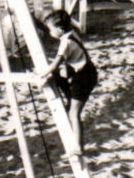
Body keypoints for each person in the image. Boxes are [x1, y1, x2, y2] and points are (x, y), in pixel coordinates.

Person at [37, 9, 98, 154]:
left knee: (73, 114)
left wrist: (40, 75)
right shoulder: (71, 33)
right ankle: (70, 101)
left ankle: (78, 147)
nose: (50, 32)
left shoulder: (66, 43)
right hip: (83, 71)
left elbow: (55, 65)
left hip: (84, 76)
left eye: (51, 29)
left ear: (60, 29)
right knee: (57, 78)